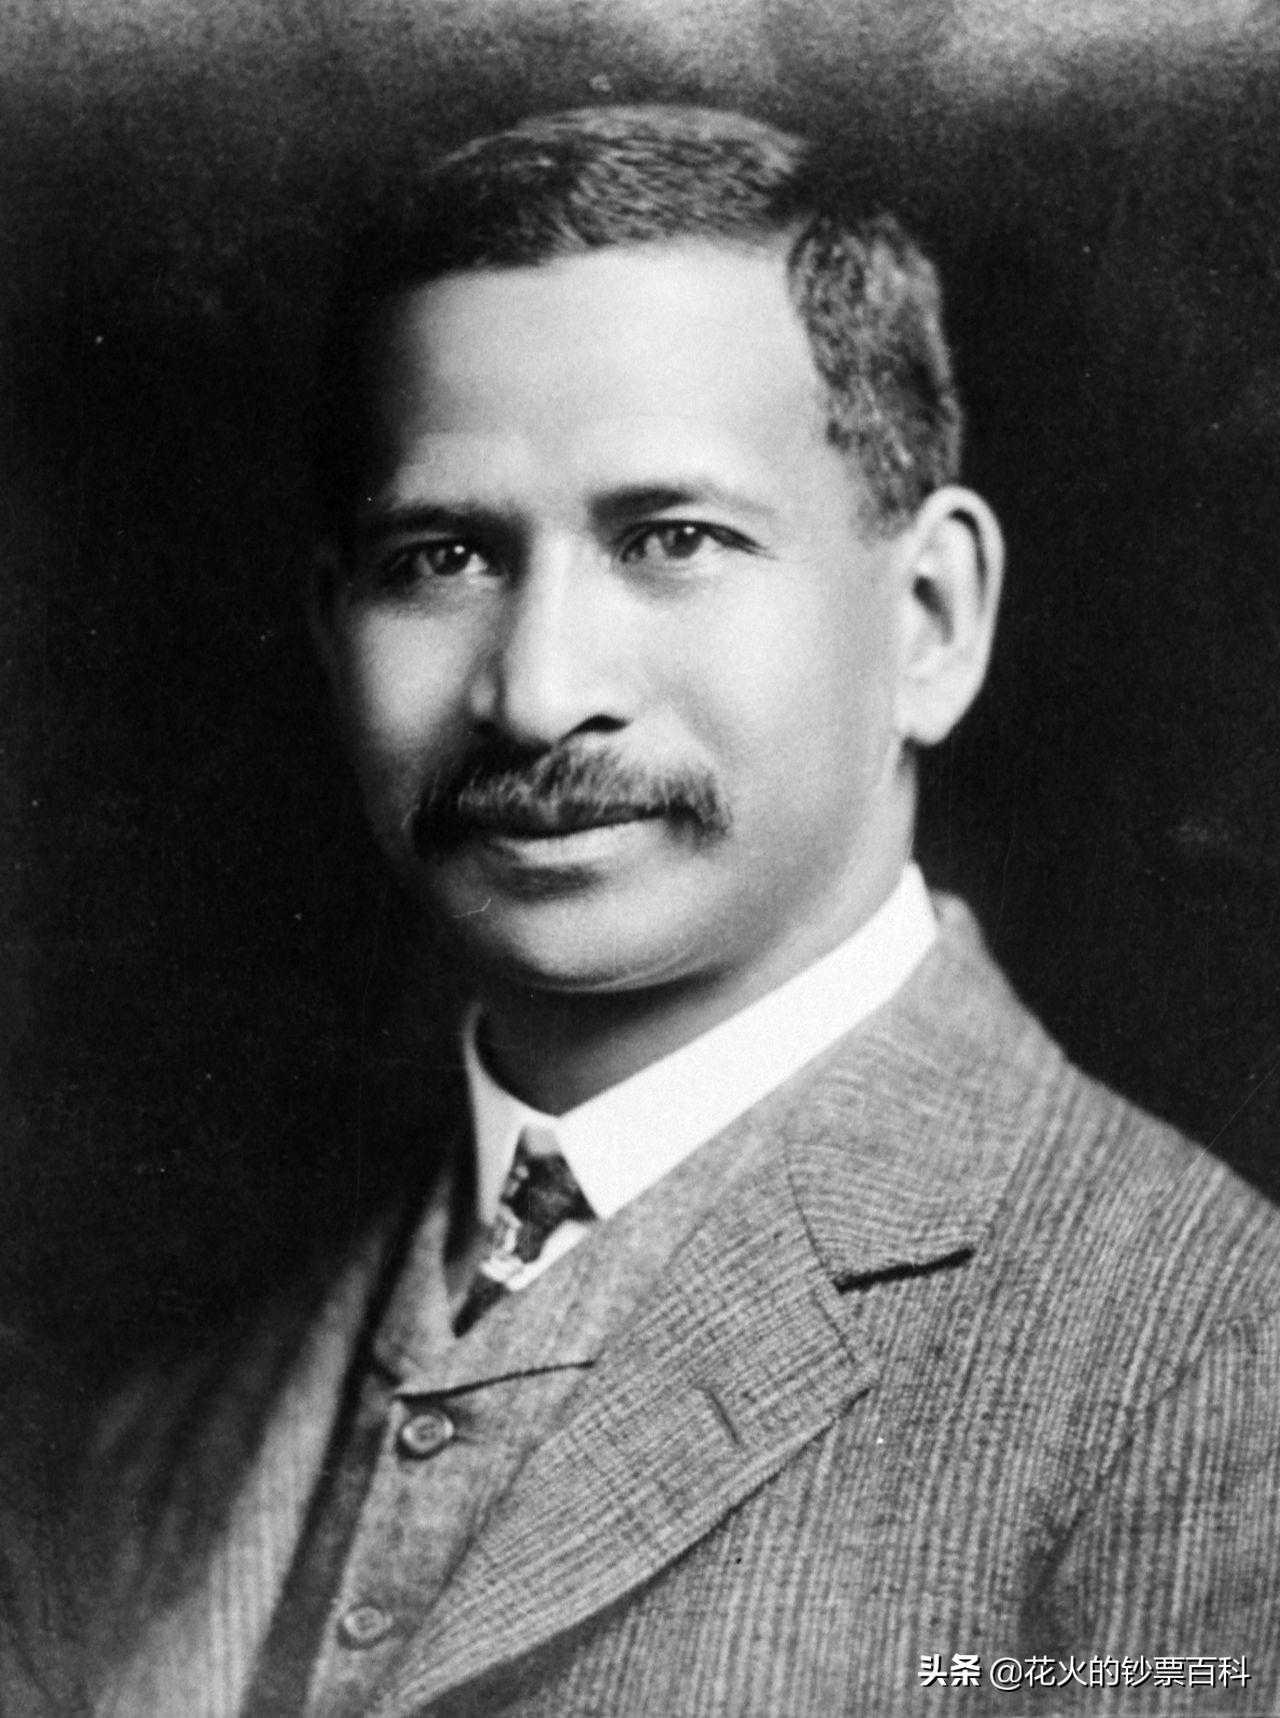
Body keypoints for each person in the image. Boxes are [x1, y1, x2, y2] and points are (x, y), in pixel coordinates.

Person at [34, 104, 1280, 1717]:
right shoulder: (148, 1448)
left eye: (672, 537)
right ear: (334, 635)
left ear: (930, 618)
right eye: (443, 556)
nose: (538, 692)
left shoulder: (1210, 1368)